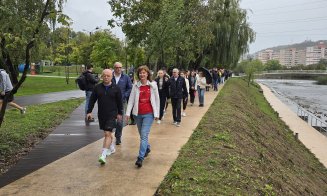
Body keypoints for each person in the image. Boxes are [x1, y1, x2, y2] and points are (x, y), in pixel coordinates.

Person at [86, 69, 123, 164]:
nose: (106, 77)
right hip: (102, 114)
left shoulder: (116, 88)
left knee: (107, 133)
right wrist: (89, 111)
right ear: (102, 76)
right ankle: (111, 147)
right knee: (108, 134)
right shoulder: (97, 88)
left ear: (112, 77)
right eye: (104, 75)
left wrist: (120, 113)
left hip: (112, 114)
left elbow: (120, 102)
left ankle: (103, 155)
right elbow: (92, 100)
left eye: (108, 76)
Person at [125, 65, 160, 168]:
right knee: (142, 135)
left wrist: (157, 114)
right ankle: (147, 148)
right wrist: (127, 113)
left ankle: (140, 158)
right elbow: (131, 100)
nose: (142, 74)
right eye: (140, 73)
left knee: (144, 135)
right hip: (137, 115)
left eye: (144, 72)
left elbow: (157, 100)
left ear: (147, 74)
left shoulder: (153, 86)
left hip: (149, 114)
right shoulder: (136, 86)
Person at [112, 62, 133, 145]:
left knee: (120, 121)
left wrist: (124, 95)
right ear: (114, 68)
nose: (118, 69)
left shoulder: (126, 77)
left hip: (121, 102)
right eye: (117, 67)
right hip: (111, 102)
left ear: (122, 68)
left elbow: (130, 87)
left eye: (120, 67)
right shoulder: (110, 76)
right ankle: (109, 135)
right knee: (111, 120)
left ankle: (118, 137)